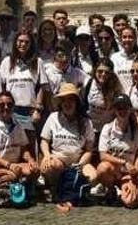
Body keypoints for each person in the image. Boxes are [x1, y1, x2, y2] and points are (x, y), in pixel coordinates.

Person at [39, 83, 97, 211]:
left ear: (76, 102)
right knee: (51, 166)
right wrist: (47, 155)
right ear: (60, 103)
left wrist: (81, 164)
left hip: (78, 161)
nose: (67, 103)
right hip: (58, 160)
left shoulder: (86, 122)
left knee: (93, 176)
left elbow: (89, 150)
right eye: (64, 100)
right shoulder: (53, 118)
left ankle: (72, 192)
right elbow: (44, 141)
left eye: (70, 99)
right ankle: (57, 190)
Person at [95, 94, 138, 207]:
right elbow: (103, 155)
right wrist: (124, 162)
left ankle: (121, 192)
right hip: (114, 171)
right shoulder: (107, 128)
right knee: (102, 168)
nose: (122, 111)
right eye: (119, 108)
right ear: (114, 110)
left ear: (130, 109)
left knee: (131, 202)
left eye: (125, 108)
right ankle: (112, 189)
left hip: (130, 174)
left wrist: (134, 178)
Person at [0, 91, 39, 187]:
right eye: (2, 105)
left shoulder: (18, 125)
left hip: (16, 165)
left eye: (9, 105)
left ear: (13, 106)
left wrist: (30, 160)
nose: (6, 107)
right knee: (12, 174)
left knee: (34, 170)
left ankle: (15, 179)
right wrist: (9, 165)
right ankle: (13, 178)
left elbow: (23, 149)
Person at [0, 31, 46, 136]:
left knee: (29, 146)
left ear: (31, 44)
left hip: (29, 111)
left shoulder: (38, 62)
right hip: (11, 110)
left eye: (26, 42)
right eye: (20, 41)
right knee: (12, 146)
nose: (23, 44)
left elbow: (41, 87)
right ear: (15, 42)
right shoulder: (6, 62)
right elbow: (2, 87)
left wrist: (37, 110)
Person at [42, 40, 89, 108]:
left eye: (68, 55)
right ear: (55, 55)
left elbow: (89, 81)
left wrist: (81, 90)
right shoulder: (47, 73)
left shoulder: (76, 72)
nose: (65, 59)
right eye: (61, 56)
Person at [83, 58, 122, 136]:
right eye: (100, 71)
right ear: (95, 71)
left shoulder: (116, 88)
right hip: (90, 129)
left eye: (106, 72)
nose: (103, 74)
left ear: (111, 74)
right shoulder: (89, 83)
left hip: (107, 131)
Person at [110, 26, 138, 92]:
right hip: (119, 97)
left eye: (130, 37)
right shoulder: (114, 57)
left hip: (136, 97)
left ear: (135, 39)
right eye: (124, 37)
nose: (127, 39)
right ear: (120, 39)